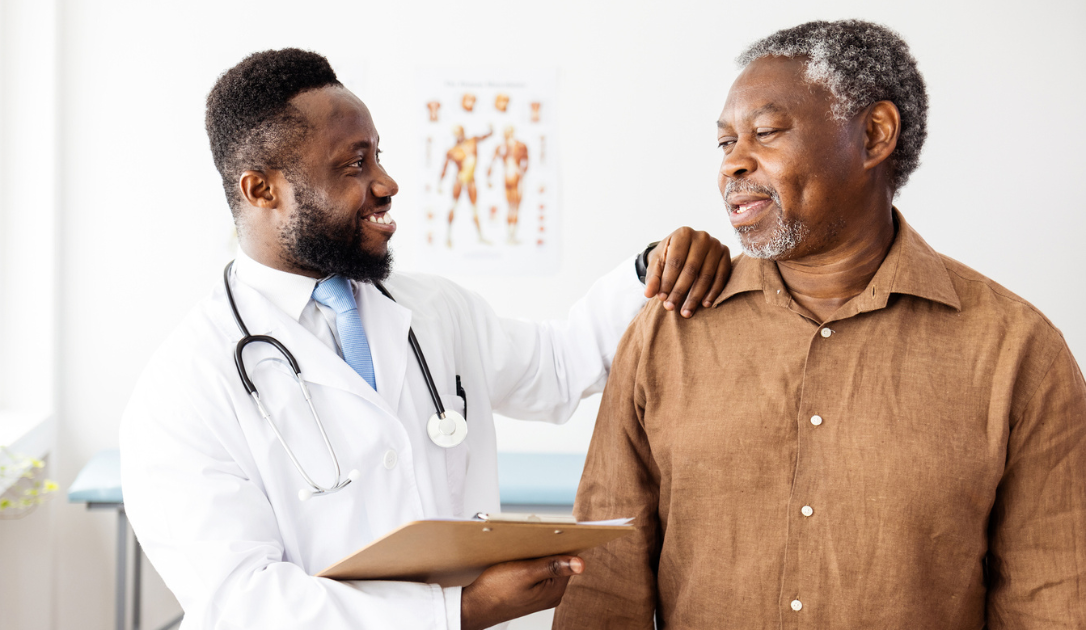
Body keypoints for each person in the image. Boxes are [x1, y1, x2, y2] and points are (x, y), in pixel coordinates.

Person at [120, 48, 731, 630]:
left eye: (378, 156)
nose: (386, 183)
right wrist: (455, 615)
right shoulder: (185, 385)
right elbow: (240, 602)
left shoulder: (431, 309)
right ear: (262, 190)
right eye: (354, 164)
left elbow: (556, 368)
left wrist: (652, 267)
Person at [554, 19, 1086, 629]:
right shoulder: (667, 331)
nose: (734, 164)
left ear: (875, 135)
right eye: (726, 143)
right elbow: (605, 584)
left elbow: (1051, 600)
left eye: (766, 133)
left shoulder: (1017, 351)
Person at [439, 124, 493, 247]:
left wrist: (491, 131)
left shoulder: (472, 141)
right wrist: (440, 183)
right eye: (456, 133)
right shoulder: (452, 151)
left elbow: (483, 137)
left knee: (474, 208)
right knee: (454, 205)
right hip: (459, 179)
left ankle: (480, 236)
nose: (459, 135)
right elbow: (445, 168)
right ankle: (448, 236)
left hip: (470, 180)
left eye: (460, 132)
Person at [487, 125, 529, 245]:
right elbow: (492, 163)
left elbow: (525, 163)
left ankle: (511, 234)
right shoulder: (504, 147)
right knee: (513, 207)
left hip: (511, 175)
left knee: (512, 207)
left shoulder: (518, 146)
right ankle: (511, 235)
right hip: (512, 176)